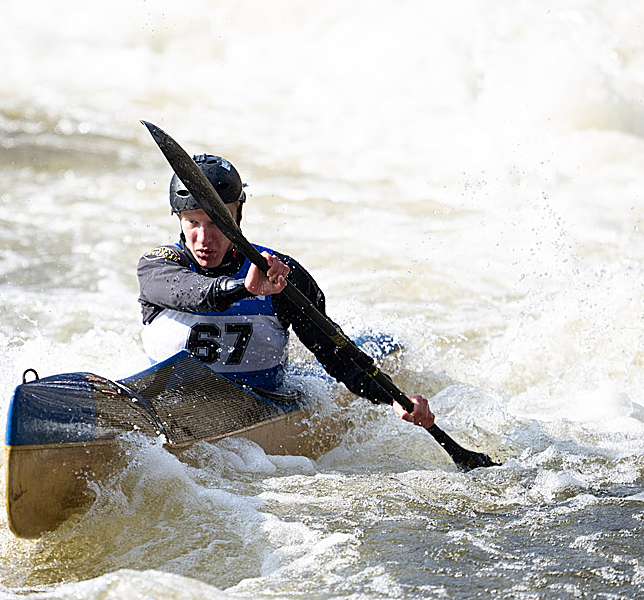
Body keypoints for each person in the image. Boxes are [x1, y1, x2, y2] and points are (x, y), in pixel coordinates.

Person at [136, 153, 435, 430]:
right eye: (192, 222)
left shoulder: (281, 273)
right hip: (173, 408)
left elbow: (333, 352)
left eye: (216, 222)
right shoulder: (158, 267)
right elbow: (193, 293)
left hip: (262, 407)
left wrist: (393, 398)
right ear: (179, 220)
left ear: (237, 218)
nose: (204, 238)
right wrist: (244, 289)